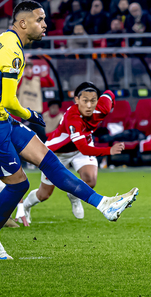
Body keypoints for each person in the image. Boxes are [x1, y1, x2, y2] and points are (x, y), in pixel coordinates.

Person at [0, 0, 139, 260]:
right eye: (39, 20)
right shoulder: (14, 51)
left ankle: (104, 205)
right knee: (19, 184)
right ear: (23, 23)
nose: (45, 25)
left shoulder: (5, 41)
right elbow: (11, 101)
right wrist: (29, 114)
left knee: (49, 160)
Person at [19, 82, 126, 222]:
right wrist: (109, 150)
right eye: (85, 100)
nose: (89, 105)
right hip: (58, 153)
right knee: (44, 194)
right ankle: (25, 207)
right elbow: (84, 148)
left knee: (90, 180)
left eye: (92, 100)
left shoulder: (102, 107)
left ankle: (74, 195)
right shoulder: (73, 118)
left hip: (82, 146)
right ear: (77, 100)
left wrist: (111, 104)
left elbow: (109, 94)